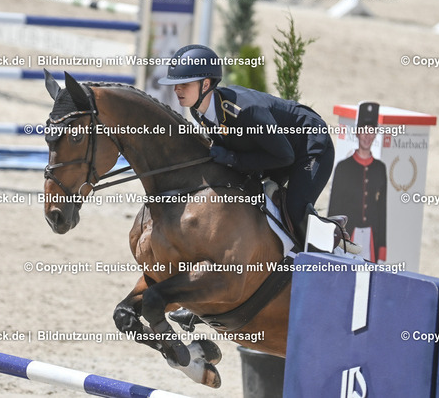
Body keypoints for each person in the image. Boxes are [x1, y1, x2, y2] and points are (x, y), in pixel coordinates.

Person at [158, 44, 335, 244]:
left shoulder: (246, 111)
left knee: (296, 210)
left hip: (309, 143)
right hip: (275, 150)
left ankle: (334, 240)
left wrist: (232, 158)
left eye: (184, 84)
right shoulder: (197, 110)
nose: (177, 90)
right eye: (176, 84)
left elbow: (285, 156)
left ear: (205, 85)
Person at [328, 103, 387, 262]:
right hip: (348, 236)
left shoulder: (380, 168)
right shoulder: (343, 167)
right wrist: (331, 237)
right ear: (357, 133)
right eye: (364, 131)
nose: (367, 136)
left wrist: (382, 248)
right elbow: (334, 206)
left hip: (372, 237)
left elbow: (382, 210)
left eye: (371, 131)